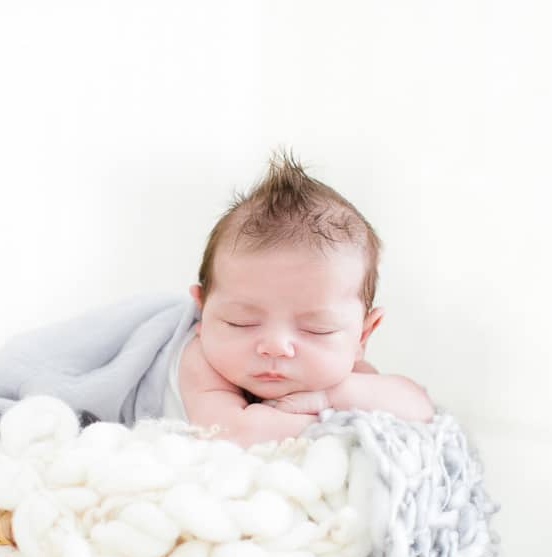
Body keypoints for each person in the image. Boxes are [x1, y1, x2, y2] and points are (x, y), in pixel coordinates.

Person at [161, 152, 434, 447]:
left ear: (362, 336)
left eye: (317, 329)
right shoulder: (200, 362)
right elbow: (234, 433)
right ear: (203, 313)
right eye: (241, 322)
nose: (275, 347)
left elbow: (418, 408)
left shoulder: (335, 370)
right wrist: (335, 422)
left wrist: (333, 396)